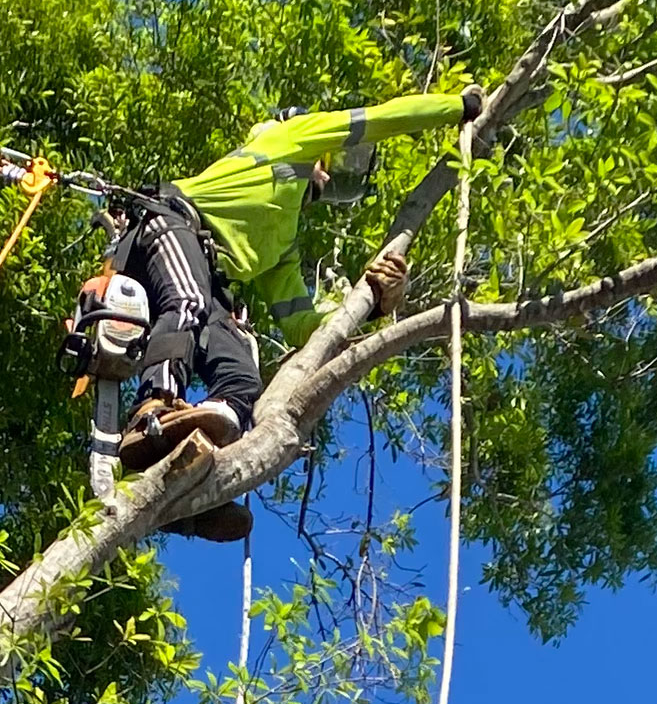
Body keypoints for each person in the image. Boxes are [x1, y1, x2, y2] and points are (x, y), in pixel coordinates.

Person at [99, 87, 482, 537]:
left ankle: (190, 488)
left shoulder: (281, 242)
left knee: (242, 378)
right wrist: (459, 107)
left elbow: (303, 324)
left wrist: (378, 302)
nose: (330, 180)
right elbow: (379, 118)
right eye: (336, 166)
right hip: (169, 223)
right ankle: (153, 412)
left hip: (206, 271)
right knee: (189, 302)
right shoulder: (290, 138)